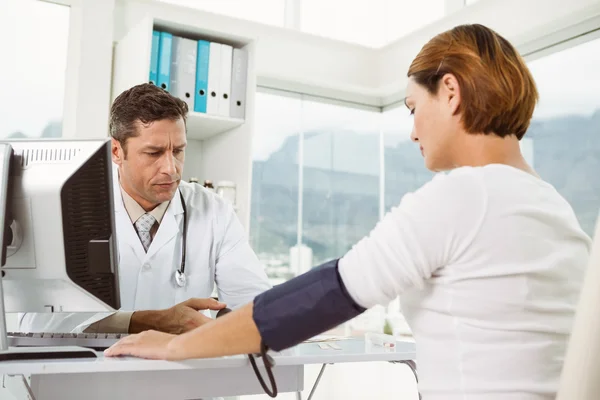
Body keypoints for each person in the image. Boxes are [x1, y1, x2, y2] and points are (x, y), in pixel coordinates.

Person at [105, 24, 592, 399]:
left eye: (410, 107)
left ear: (449, 91)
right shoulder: (557, 210)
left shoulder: (461, 196)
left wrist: (173, 346)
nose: (413, 130)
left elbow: (325, 296)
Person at [19, 83, 271, 334]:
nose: (171, 168)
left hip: (181, 370)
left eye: (179, 151)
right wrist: (145, 321)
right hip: (92, 371)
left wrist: (228, 324)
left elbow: (256, 306)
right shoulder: (69, 211)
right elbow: (36, 322)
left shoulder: (214, 211)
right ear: (117, 151)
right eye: (154, 153)